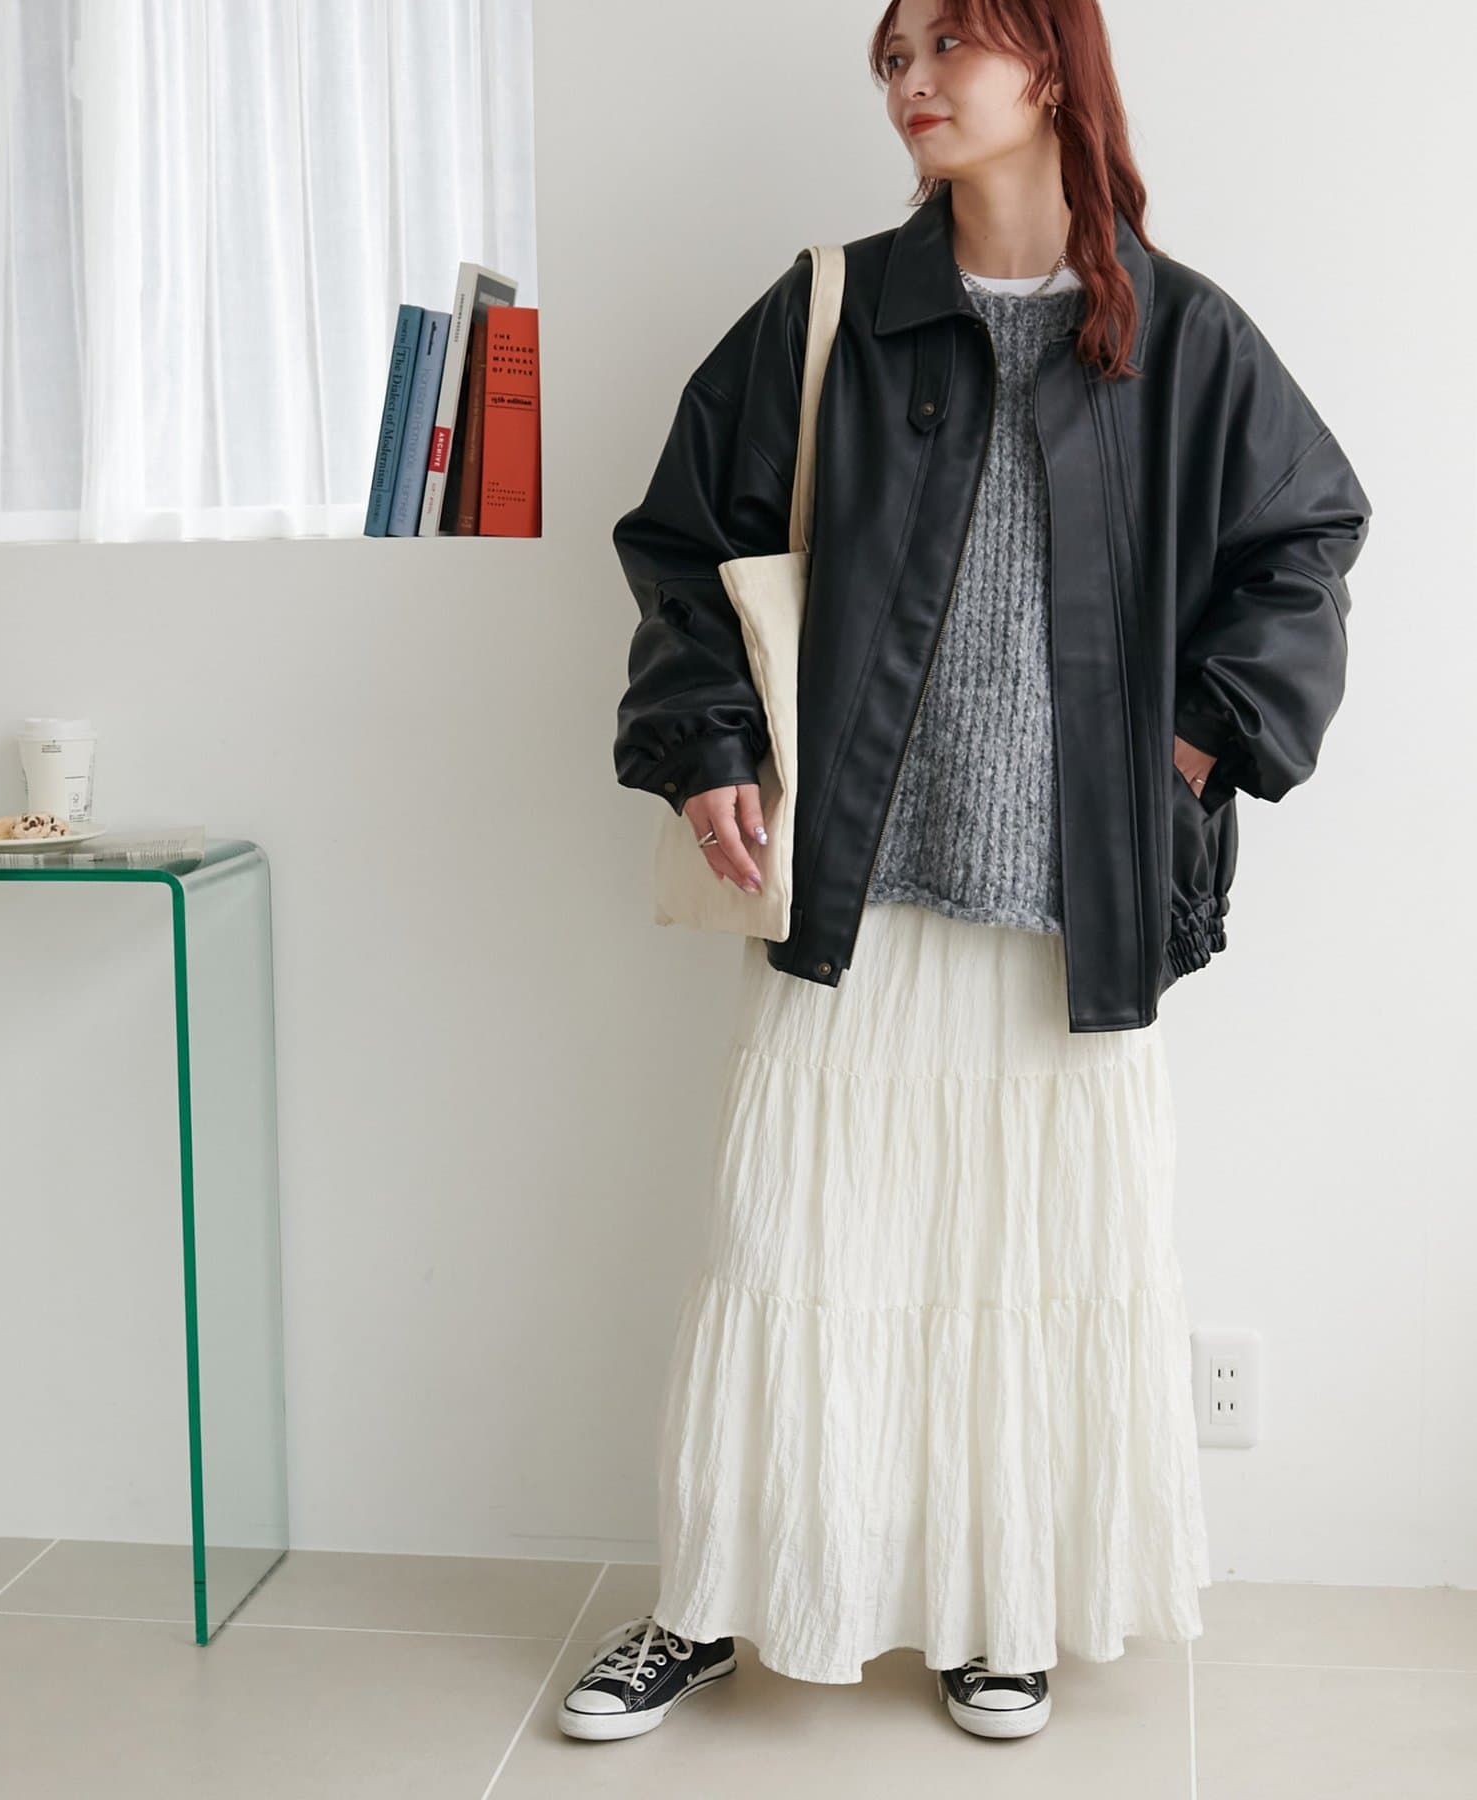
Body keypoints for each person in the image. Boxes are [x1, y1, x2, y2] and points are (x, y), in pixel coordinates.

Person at [559, 0, 1371, 1744]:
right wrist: (706, 745)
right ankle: (714, 1598)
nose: (911, 84)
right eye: (892, 59)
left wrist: (1195, 742)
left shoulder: (1180, 333)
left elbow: (1306, 541)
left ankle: (1003, 1609)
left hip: (1076, 906)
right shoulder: (832, 310)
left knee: (1034, 1265)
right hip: (852, 879)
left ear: (1050, 66)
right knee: (789, 1246)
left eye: (947, 46)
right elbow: (684, 541)